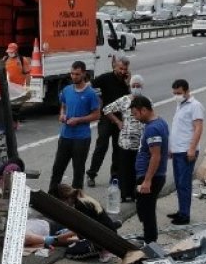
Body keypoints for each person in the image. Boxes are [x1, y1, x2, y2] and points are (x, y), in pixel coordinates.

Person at [49, 61, 102, 195]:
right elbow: (63, 105)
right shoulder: (67, 90)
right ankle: (51, 196)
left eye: (77, 74)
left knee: (78, 171)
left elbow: (96, 114)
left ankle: (77, 200)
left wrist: (79, 120)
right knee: (57, 168)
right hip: (65, 136)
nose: (74, 77)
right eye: (72, 74)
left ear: (84, 73)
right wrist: (62, 115)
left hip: (81, 138)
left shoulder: (90, 94)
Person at [86, 55, 131, 188]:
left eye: (125, 69)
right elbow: (89, 86)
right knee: (102, 146)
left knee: (118, 149)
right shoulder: (105, 78)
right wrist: (97, 100)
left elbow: (130, 97)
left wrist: (127, 83)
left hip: (121, 118)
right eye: (120, 68)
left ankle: (115, 176)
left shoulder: (126, 81)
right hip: (106, 116)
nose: (122, 72)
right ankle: (91, 174)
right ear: (115, 66)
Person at [130, 95, 169, 245]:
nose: (135, 117)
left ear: (144, 110)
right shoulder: (159, 122)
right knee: (145, 207)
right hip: (149, 175)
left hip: (151, 176)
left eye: (135, 114)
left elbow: (155, 156)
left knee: (146, 209)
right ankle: (148, 235)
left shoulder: (153, 128)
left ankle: (150, 241)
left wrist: (147, 180)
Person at [166, 79, 204, 226]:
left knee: (184, 183)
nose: (176, 96)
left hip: (186, 151)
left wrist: (192, 149)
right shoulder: (180, 104)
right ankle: (181, 211)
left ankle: (185, 215)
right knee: (178, 183)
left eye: (179, 93)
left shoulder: (195, 106)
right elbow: (178, 128)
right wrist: (171, 147)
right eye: (174, 93)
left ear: (187, 91)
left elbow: (198, 128)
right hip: (177, 150)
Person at [112, 74, 146, 202]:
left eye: (138, 86)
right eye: (134, 86)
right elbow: (106, 110)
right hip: (125, 141)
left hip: (140, 142)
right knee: (124, 169)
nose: (136, 88)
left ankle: (136, 194)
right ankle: (124, 194)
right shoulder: (124, 100)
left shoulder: (145, 101)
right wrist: (117, 122)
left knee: (137, 169)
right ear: (130, 86)